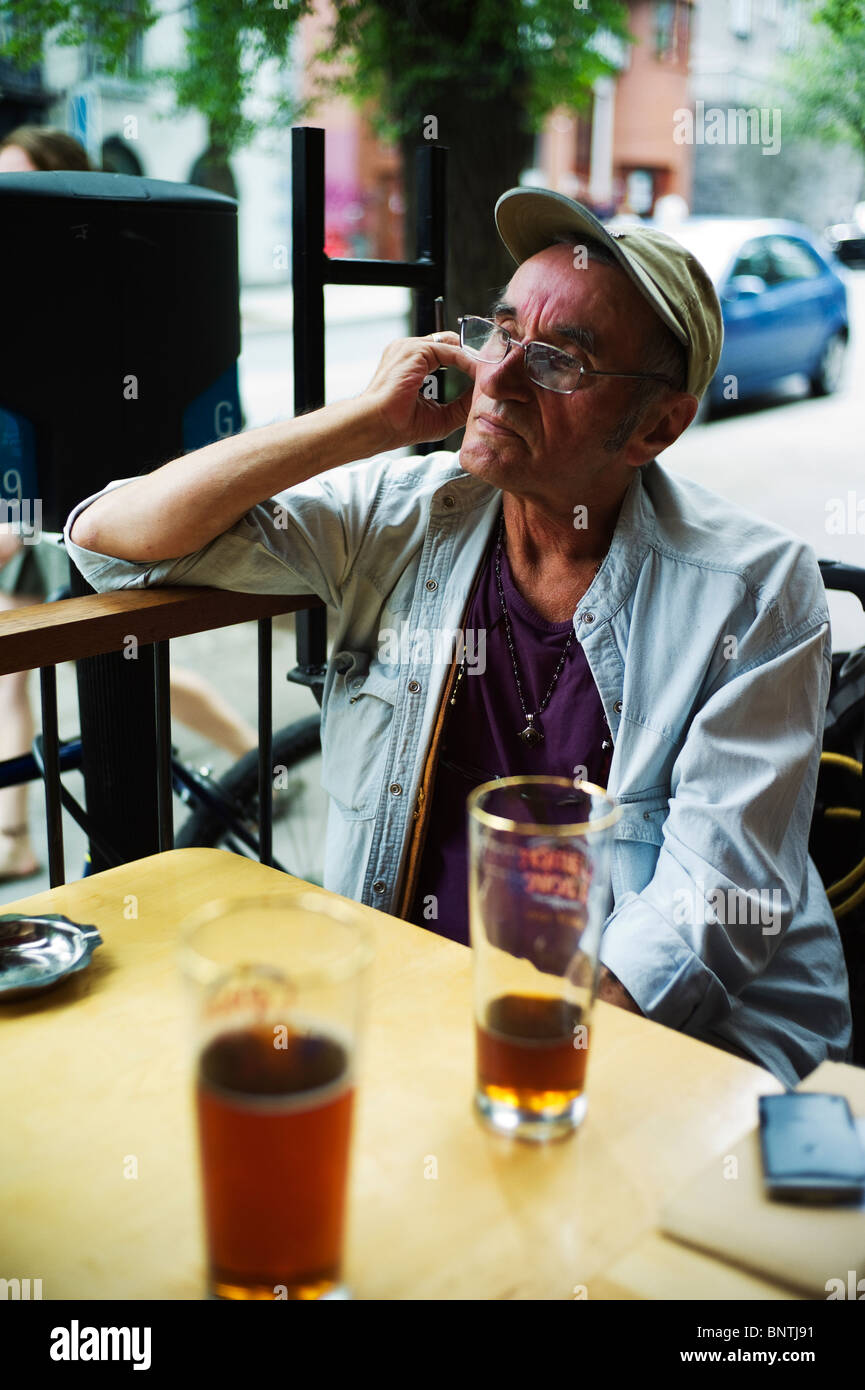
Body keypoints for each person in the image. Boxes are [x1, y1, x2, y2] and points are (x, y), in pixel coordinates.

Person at [63, 187, 852, 1087]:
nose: (502, 377)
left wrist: (513, 1054)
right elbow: (113, 545)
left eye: (559, 361)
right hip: (422, 1018)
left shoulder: (750, 592)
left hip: (679, 1049)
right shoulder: (406, 515)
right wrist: (364, 422)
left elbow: (715, 900)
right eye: (501, 333)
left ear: (656, 426)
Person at [0, 125, 259, 879]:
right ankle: (16, 834)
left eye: (16, 178)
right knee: (34, 666)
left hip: (77, 521)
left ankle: (252, 756)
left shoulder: (79, 274)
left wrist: (16, 519)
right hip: (46, 518)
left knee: (129, 658)